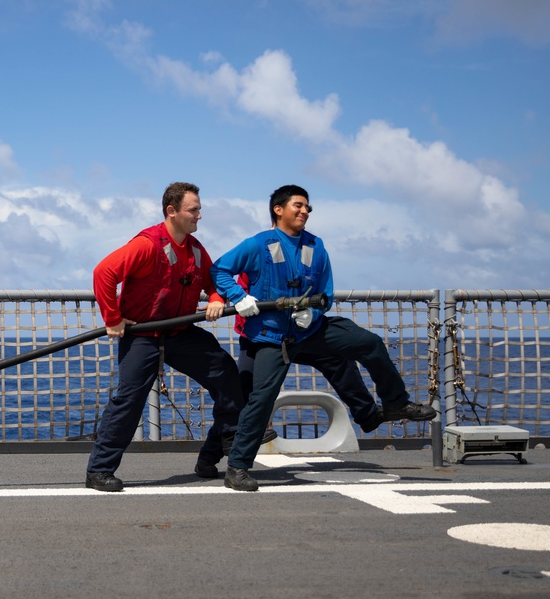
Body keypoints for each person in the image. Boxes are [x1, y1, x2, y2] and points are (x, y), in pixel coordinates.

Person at [213, 184, 437, 492]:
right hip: (270, 336)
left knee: (369, 343)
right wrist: (239, 297)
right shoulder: (257, 245)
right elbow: (220, 270)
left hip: (310, 330)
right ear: (278, 210)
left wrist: (313, 315)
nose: (305, 211)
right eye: (298, 206)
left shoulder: (317, 247)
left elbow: (325, 295)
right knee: (260, 399)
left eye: (308, 207)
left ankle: (396, 403)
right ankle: (237, 468)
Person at [85, 181, 249, 492]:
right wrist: (113, 319)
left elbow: (212, 282)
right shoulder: (146, 245)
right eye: (193, 210)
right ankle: (98, 471)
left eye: (199, 209)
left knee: (226, 374)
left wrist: (215, 298)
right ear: (171, 212)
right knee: (129, 401)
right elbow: (103, 273)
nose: (199, 216)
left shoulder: (197, 251)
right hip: (142, 334)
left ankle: (224, 445)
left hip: (180, 332)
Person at [233, 273, 385, 434]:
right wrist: (237, 297)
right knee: (247, 384)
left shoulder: (304, 258)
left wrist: (311, 312)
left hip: (296, 333)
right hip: (258, 336)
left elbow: (319, 293)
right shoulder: (255, 254)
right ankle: (248, 432)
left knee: (337, 358)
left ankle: (367, 414)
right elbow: (231, 281)